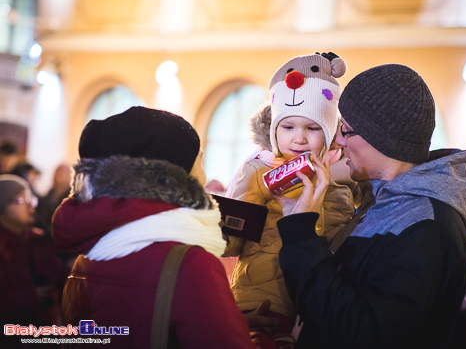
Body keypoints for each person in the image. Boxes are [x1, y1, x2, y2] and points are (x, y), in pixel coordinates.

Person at [274, 63, 466, 348]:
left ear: (380, 139)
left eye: (346, 130)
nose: (337, 140)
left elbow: (362, 334)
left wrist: (302, 236)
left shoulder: (426, 225)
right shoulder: (384, 203)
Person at [52, 107, 276, 349]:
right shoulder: (187, 263)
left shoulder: (89, 254)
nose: (204, 176)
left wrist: (225, 319)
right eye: (198, 163)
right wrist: (258, 339)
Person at [223, 52, 359, 338]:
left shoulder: (347, 169)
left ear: (330, 131)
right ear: (274, 129)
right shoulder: (259, 168)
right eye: (288, 127)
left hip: (323, 296)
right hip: (264, 298)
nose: (299, 138)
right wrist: (214, 222)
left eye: (312, 128)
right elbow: (233, 240)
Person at [0, 174, 69, 349]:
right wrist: (32, 296)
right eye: (21, 199)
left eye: (31, 198)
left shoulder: (37, 240)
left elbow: (61, 276)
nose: (31, 205)